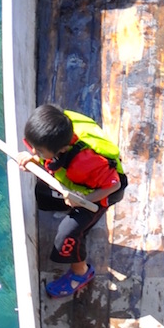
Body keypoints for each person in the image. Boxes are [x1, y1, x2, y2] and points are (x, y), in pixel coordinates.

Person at [17, 105, 128, 298]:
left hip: (98, 197)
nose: (33, 151)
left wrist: (83, 200)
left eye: (39, 150)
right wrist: (35, 158)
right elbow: (49, 157)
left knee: (68, 233)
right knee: (43, 195)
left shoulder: (88, 163)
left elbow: (115, 185)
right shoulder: (59, 133)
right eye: (31, 145)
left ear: (63, 148)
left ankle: (81, 273)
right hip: (79, 185)